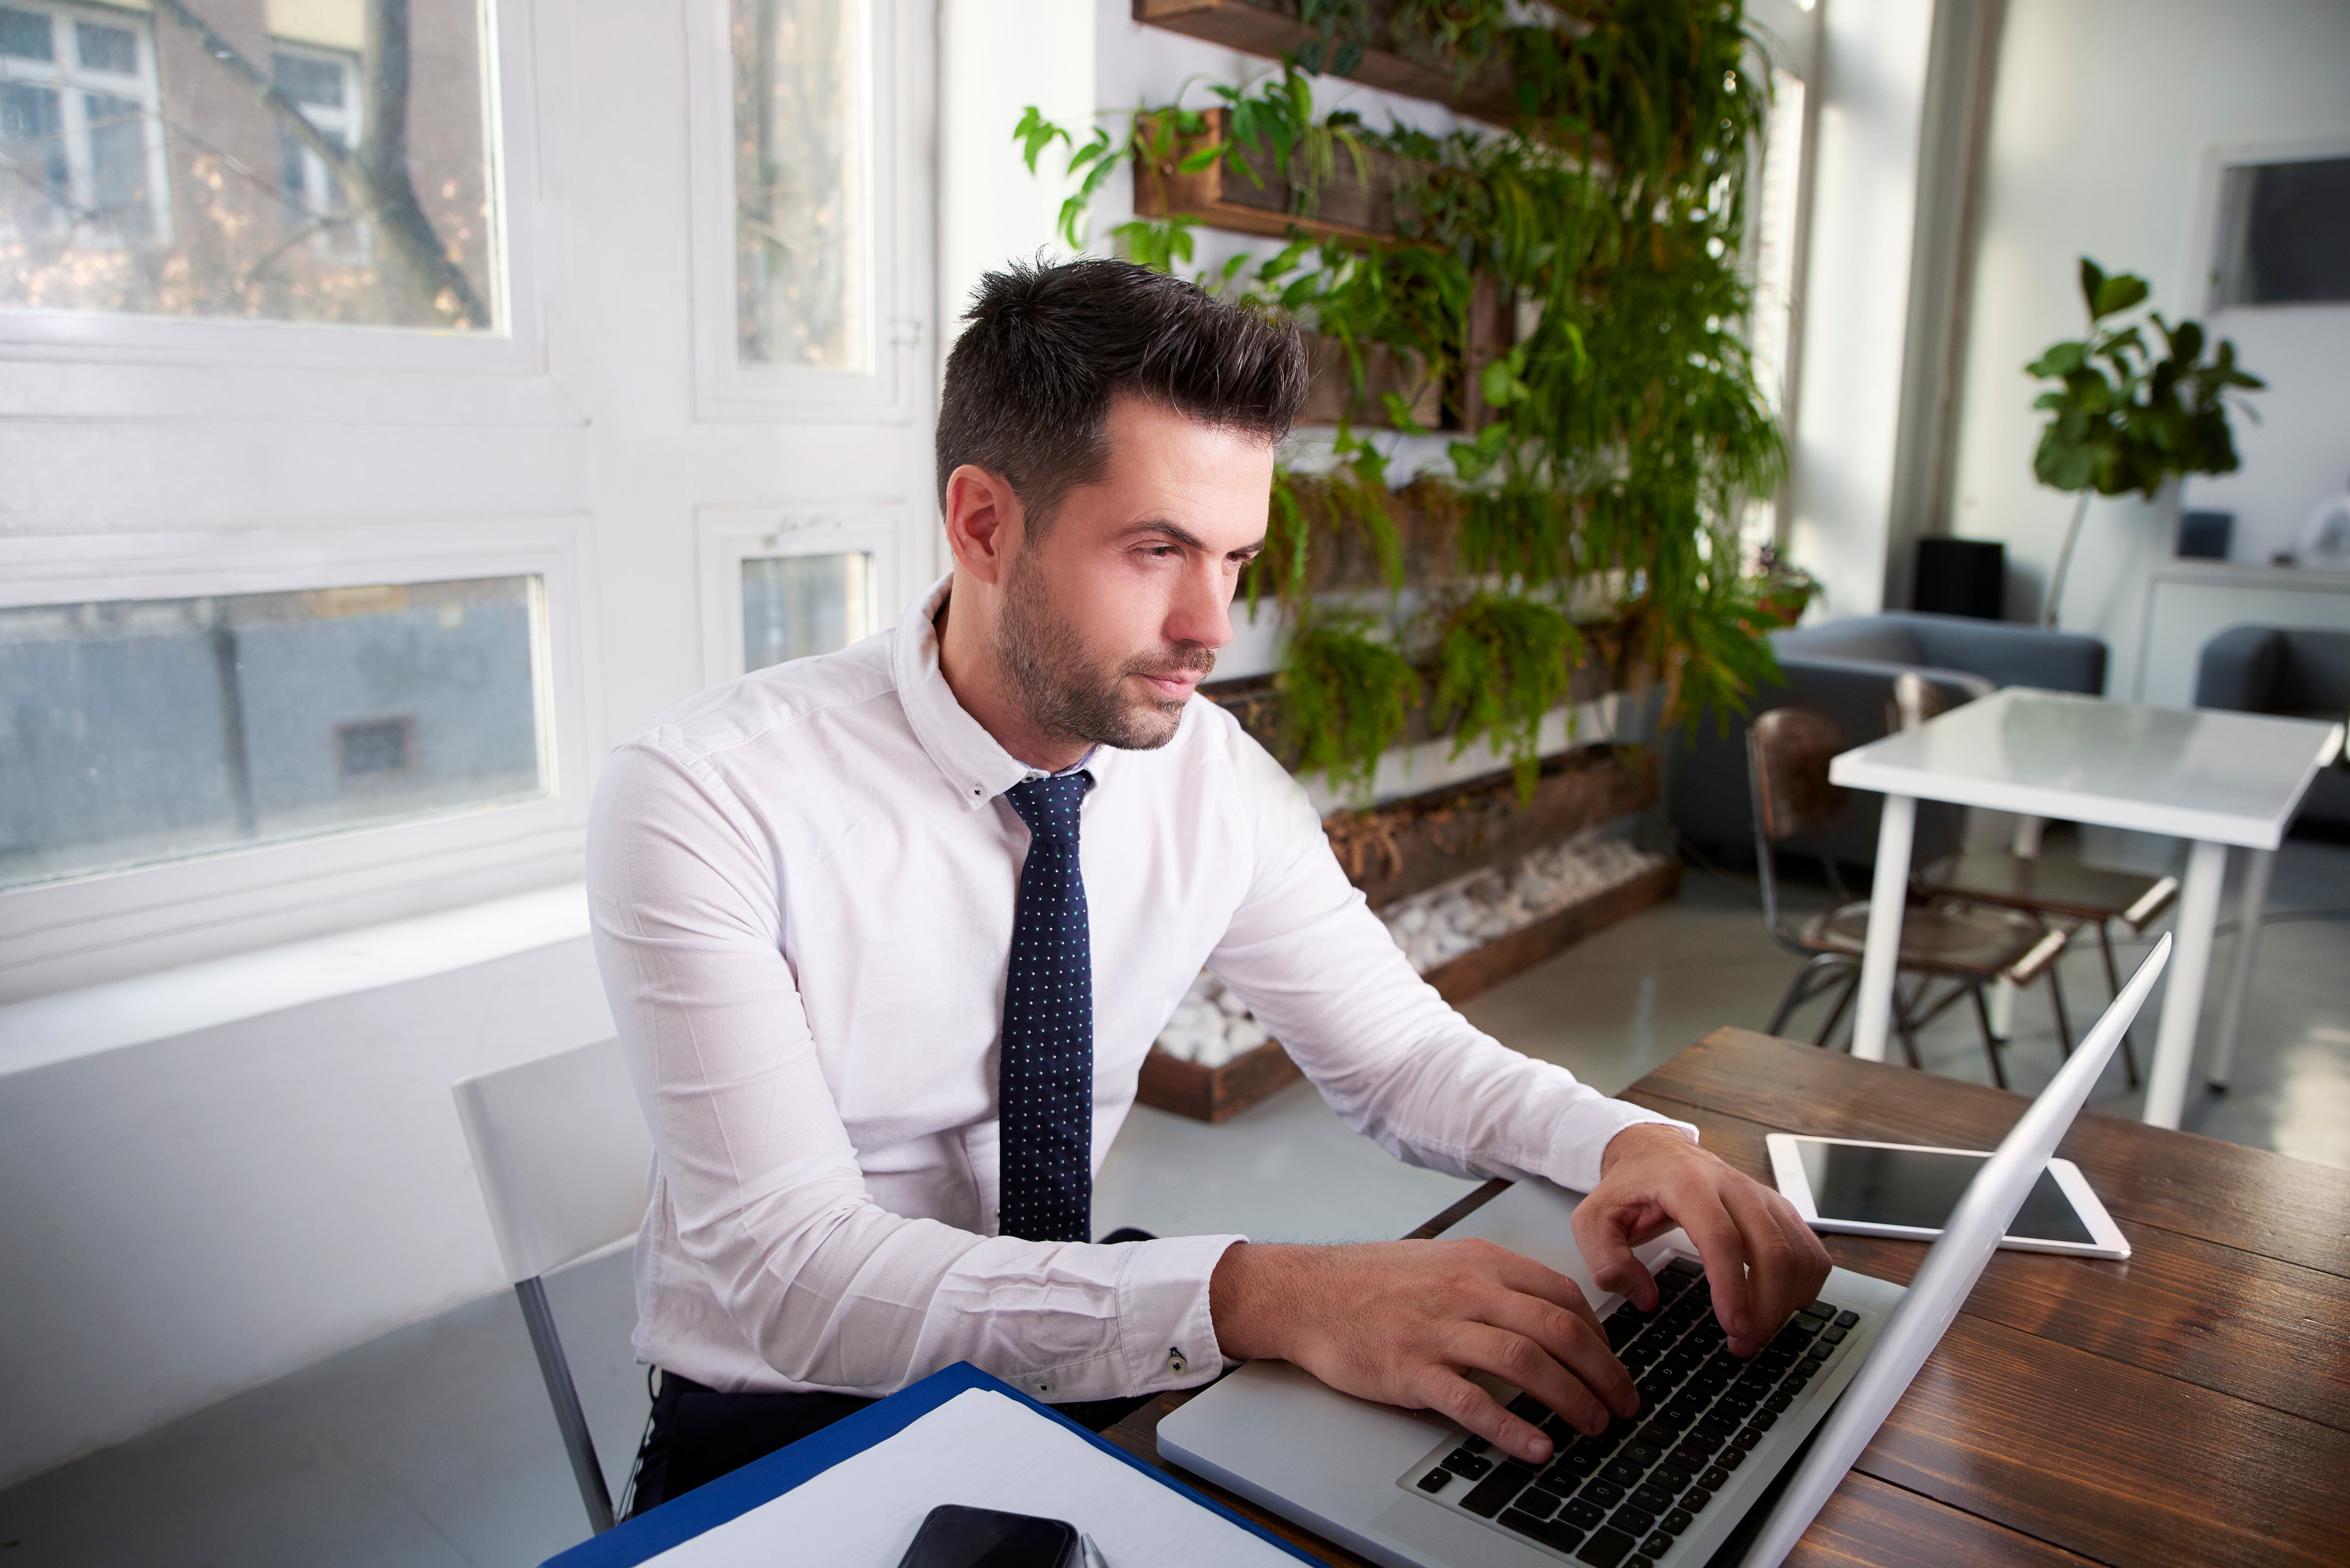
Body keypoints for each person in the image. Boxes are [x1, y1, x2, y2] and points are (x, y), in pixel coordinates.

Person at [586, 257, 1831, 1515]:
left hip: (1070, 1350)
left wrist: (1627, 1138)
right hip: (788, 1413)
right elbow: (794, 1276)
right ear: (981, 524)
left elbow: (1399, 1057)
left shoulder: (1208, 776)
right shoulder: (706, 795)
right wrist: (1268, 1291)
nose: (1212, 625)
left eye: (1234, 556)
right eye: (1157, 549)